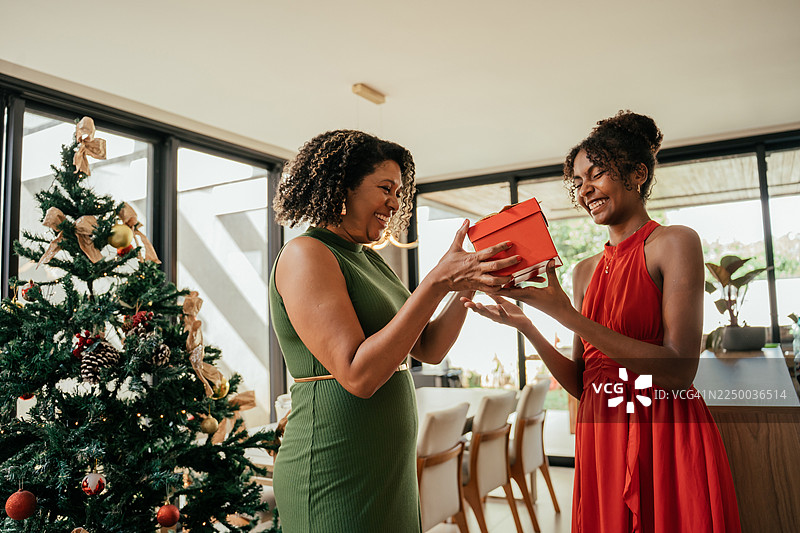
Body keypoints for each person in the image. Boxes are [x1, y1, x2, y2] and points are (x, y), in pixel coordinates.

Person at [463, 111, 741, 533]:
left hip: (661, 431)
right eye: (577, 181)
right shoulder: (583, 272)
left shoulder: (674, 243)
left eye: (596, 174)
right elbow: (583, 383)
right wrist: (528, 326)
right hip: (601, 436)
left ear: (637, 174)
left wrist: (566, 315)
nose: (584, 189)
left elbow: (680, 370)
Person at [269, 129, 518, 532]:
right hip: (333, 468)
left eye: (399, 192)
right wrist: (436, 282)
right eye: (385, 188)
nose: (395, 202)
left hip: (389, 471)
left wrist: (466, 282)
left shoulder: (370, 259)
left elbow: (429, 347)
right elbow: (358, 375)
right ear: (343, 187)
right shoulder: (307, 253)